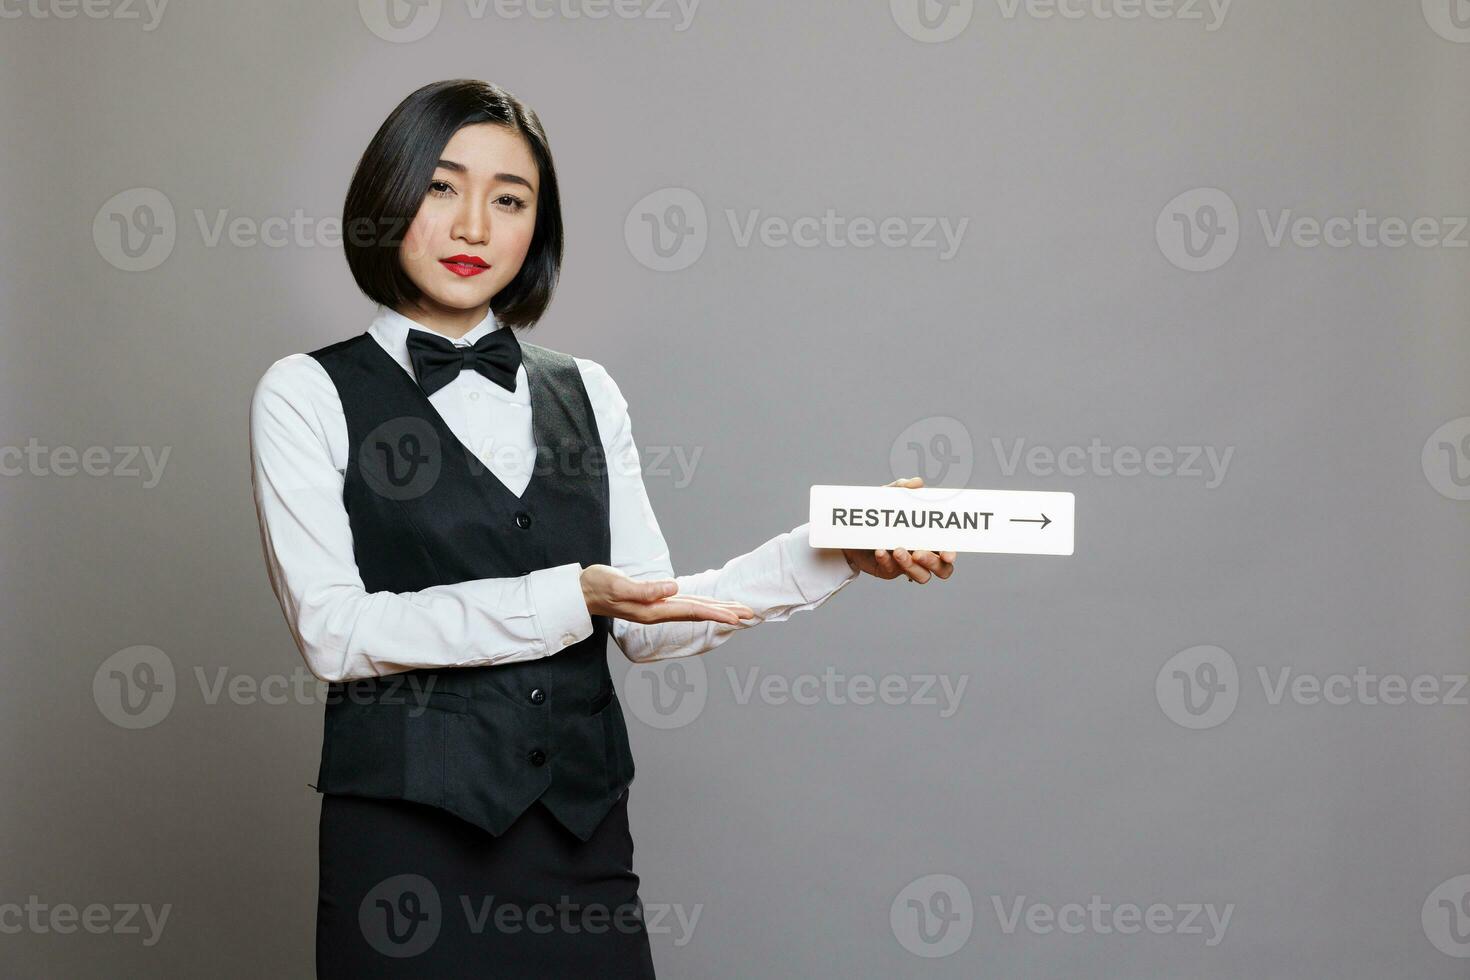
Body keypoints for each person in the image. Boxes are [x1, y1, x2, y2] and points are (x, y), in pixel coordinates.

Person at [248, 78, 957, 978]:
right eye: (441, 186)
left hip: (579, 850)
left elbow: (650, 621)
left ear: (536, 231)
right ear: (386, 195)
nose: (474, 227)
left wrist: (833, 548)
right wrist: (562, 597)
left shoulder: (586, 389)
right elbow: (336, 632)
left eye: (510, 200)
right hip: (404, 858)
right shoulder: (306, 393)